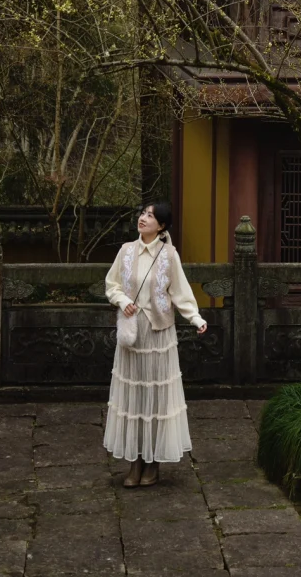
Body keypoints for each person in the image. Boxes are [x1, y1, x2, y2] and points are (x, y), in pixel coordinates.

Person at [103, 199, 207, 487]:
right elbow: (111, 285)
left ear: (161, 226)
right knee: (133, 396)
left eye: (151, 216)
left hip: (159, 334)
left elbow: (180, 291)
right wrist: (122, 301)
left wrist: (195, 318)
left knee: (157, 398)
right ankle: (134, 463)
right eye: (143, 213)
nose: (143, 218)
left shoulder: (169, 255)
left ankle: (153, 463)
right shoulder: (125, 251)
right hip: (132, 333)